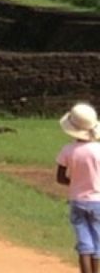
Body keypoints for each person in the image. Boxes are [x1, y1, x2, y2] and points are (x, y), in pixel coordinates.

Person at [57, 102, 100, 273]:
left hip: (78, 200)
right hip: (98, 201)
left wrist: (75, 182)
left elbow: (60, 178)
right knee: (98, 241)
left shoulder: (68, 150)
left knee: (84, 243)